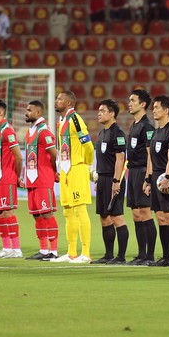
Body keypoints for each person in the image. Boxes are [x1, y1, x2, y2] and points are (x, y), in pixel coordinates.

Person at [51, 91, 95, 263]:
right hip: (65, 170)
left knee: (80, 210)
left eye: (60, 99)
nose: (56, 101)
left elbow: (89, 145)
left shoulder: (75, 119)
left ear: (69, 103)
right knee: (67, 211)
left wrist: (88, 166)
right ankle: (71, 252)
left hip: (77, 169)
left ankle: (86, 253)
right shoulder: (61, 121)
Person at [143, 95, 169, 267]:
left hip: (166, 179)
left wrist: (167, 177)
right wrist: (147, 180)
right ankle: (166, 257)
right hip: (155, 179)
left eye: (157, 107)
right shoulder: (156, 132)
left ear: (166, 110)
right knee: (160, 218)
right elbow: (151, 158)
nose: (154, 110)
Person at [21, 100, 60, 260]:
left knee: (46, 213)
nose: (26, 112)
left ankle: (54, 251)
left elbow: (54, 154)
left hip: (43, 178)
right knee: (36, 215)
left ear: (38, 113)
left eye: (29, 110)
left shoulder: (44, 132)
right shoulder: (31, 132)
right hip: (32, 179)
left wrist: (54, 171)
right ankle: (43, 250)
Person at [91, 99, 129, 264]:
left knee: (117, 218)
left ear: (112, 113)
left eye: (102, 111)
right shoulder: (102, 133)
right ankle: (108, 255)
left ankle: (120, 257)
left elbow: (120, 159)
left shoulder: (117, 133)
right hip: (103, 178)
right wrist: (99, 178)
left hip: (114, 179)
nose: (99, 113)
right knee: (104, 218)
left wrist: (116, 181)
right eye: (99, 111)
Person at [0, 99, 23, 258]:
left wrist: (16, 176)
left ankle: (16, 248)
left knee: (8, 212)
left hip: (6, 177)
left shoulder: (7, 130)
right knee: (0, 214)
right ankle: (7, 248)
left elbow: (18, 157)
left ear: (1, 113)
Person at [125, 89, 157, 265]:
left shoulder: (147, 126)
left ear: (143, 104)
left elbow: (150, 154)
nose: (129, 103)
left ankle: (149, 256)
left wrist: (148, 178)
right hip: (133, 171)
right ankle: (141, 254)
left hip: (144, 171)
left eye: (133, 100)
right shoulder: (134, 125)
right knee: (136, 214)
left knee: (145, 213)